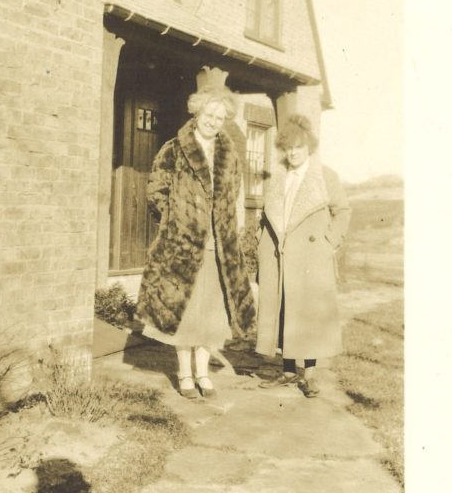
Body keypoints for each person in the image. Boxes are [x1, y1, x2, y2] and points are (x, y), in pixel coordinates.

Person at [136, 69, 255, 400]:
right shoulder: (174, 149)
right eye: (209, 115)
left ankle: (204, 373)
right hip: (182, 245)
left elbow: (234, 196)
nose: (214, 122)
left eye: (220, 117)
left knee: (212, 315)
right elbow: (155, 192)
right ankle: (185, 374)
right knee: (184, 311)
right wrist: (177, 222)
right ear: (197, 112)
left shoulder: (229, 156)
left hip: (219, 246)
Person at [255, 114, 350, 397]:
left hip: (311, 258)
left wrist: (328, 243)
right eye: (289, 148)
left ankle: (308, 375)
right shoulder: (278, 177)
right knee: (283, 309)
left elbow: (343, 211)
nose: (294, 153)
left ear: (309, 147)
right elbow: (268, 215)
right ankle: (286, 370)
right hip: (279, 255)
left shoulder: (325, 177)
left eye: (299, 147)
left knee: (307, 313)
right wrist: (262, 244)